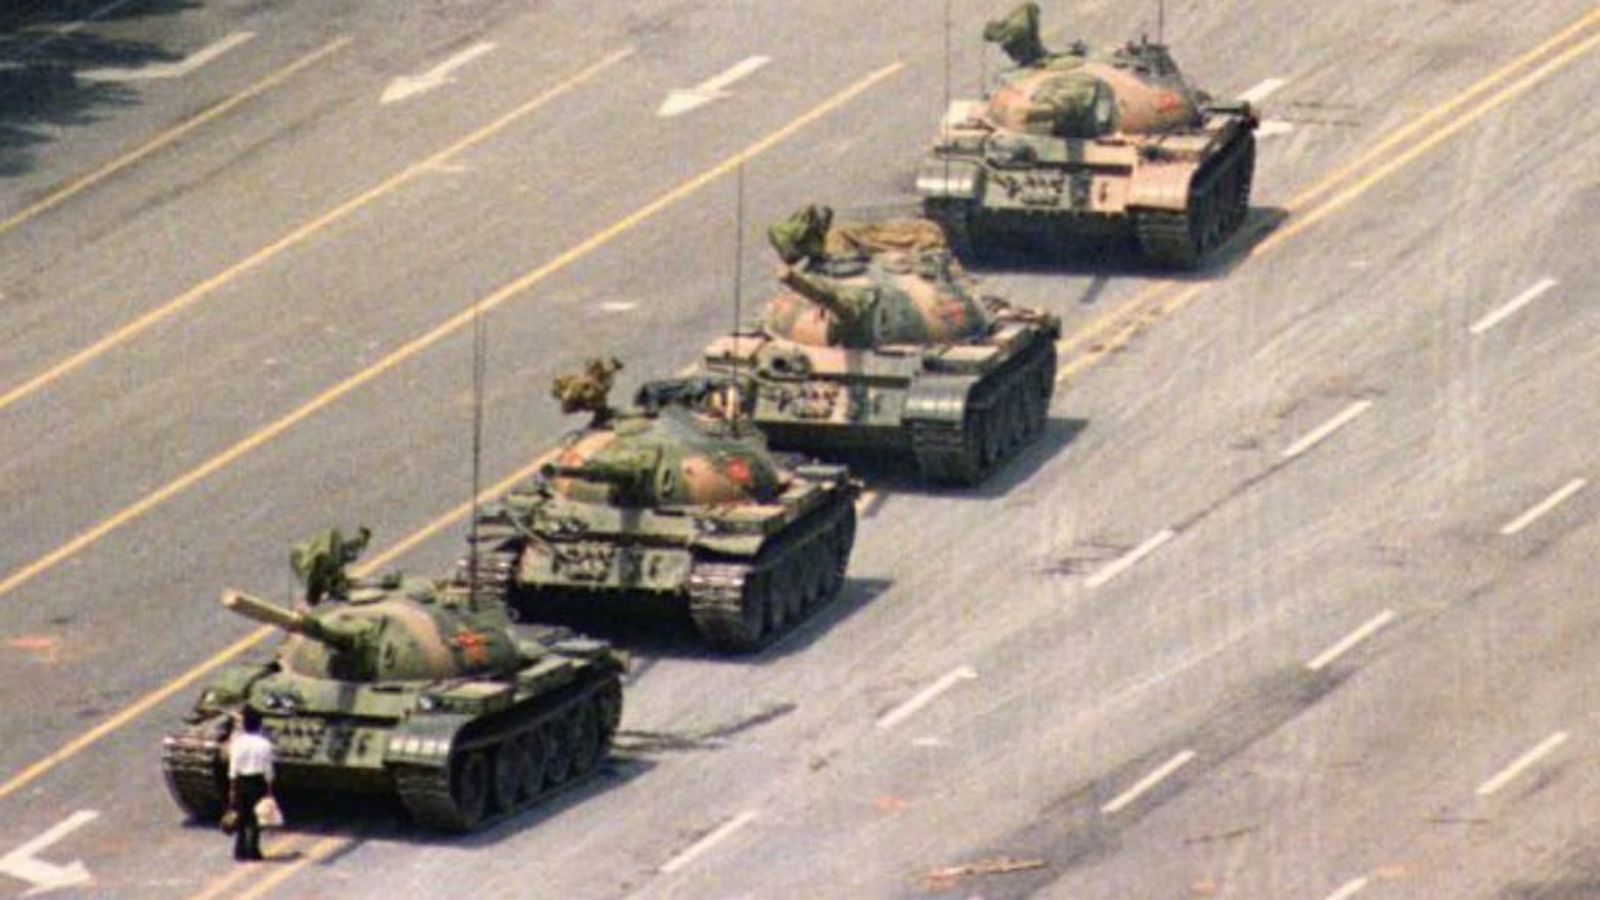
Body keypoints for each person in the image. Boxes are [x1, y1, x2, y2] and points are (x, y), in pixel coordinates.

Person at [227, 707, 275, 862]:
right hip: (257, 782)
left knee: (241, 815)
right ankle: (253, 851)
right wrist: (269, 790)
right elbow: (268, 769)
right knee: (256, 818)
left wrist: (232, 788)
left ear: (244, 725)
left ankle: (239, 851)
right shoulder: (265, 744)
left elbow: (233, 768)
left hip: (241, 781)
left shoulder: (237, 743)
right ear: (260, 725)